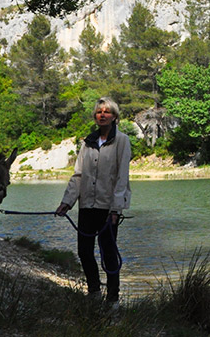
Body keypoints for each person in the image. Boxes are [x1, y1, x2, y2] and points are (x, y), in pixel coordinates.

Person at [55, 97, 131, 303]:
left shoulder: (122, 140)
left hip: (108, 209)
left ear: (114, 116)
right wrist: (67, 202)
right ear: (95, 116)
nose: (102, 115)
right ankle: (95, 293)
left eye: (107, 112)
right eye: (99, 112)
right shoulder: (88, 142)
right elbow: (78, 175)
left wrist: (116, 209)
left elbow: (122, 177)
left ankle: (113, 299)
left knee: (108, 254)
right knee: (84, 252)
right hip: (87, 206)